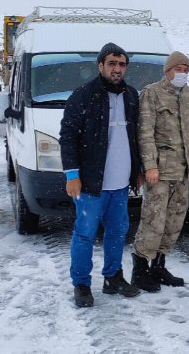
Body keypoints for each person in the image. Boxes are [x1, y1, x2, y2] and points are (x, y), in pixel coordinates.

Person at [59, 42, 141, 307]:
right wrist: (72, 174)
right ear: (101, 65)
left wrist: (136, 170)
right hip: (91, 183)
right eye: (112, 63)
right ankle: (81, 284)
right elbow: (68, 136)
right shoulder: (83, 95)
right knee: (85, 234)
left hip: (120, 182)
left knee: (118, 232)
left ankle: (113, 277)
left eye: (122, 64)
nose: (117, 69)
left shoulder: (130, 95)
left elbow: (135, 137)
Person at [131, 51, 189, 292]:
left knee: (174, 221)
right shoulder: (151, 94)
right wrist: (150, 166)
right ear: (167, 70)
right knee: (153, 220)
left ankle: (159, 266)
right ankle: (140, 270)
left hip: (184, 172)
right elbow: (145, 133)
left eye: (186, 69)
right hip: (160, 172)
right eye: (178, 69)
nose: (182, 73)